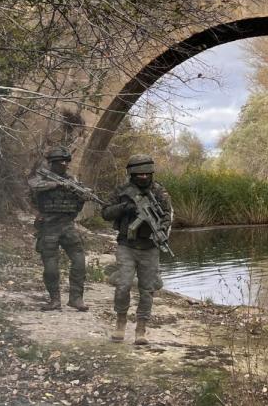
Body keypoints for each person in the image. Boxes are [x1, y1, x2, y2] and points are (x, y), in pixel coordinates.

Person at [101, 154, 173, 345]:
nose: (143, 177)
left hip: (150, 247)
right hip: (127, 245)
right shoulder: (122, 190)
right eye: (139, 174)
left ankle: (141, 328)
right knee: (123, 285)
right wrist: (125, 207)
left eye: (147, 174)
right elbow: (105, 213)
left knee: (147, 290)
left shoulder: (159, 192)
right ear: (131, 174)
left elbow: (167, 215)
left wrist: (161, 229)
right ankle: (120, 323)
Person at [27, 146, 90, 312]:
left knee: (79, 260)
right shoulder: (40, 177)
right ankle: (54, 299)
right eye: (60, 162)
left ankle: (76, 298)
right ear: (52, 163)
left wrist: (83, 194)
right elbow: (34, 186)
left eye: (65, 162)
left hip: (67, 225)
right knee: (50, 267)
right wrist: (56, 185)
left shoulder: (72, 180)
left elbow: (79, 201)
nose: (64, 164)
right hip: (48, 226)